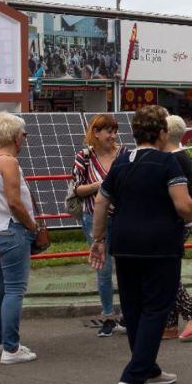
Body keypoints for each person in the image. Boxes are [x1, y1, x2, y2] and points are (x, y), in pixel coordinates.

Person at [89, 106, 192, 384]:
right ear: (162, 133)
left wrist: (98, 239)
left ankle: (149, 370)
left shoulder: (122, 163)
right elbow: (182, 204)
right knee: (156, 308)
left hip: (123, 243)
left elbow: (100, 201)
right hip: (159, 245)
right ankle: (134, 376)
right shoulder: (167, 163)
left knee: (134, 307)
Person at [0, 112, 43, 364]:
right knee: (15, 290)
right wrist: (33, 227)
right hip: (12, 230)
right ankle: (11, 347)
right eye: (23, 133)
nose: (25, 138)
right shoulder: (9, 162)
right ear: (14, 136)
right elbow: (14, 202)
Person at [72, 114, 127, 337]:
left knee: (125, 267)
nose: (112, 136)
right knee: (103, 269)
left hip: (123, 217)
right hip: (94, 218)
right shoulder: (84, 157)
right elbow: (77, 189)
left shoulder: (124, 155)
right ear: (96, 133)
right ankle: (108, 316)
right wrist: (101, 185)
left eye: (115, 131)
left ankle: (127, 314)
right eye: (108, 131)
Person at [162, 115, 192, 342]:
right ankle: (169, 324)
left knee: (165, 273)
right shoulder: (182, 157)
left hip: (173, 222)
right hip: (181, 221)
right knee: (169, 269)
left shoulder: (172, 160)